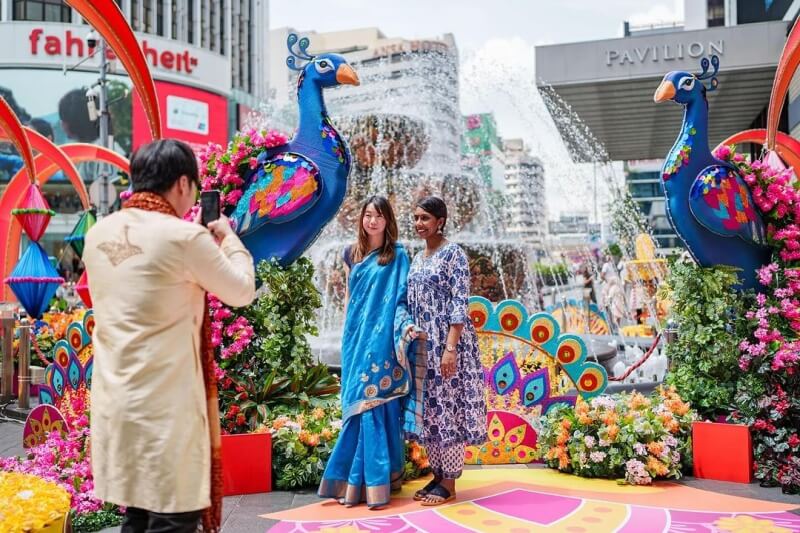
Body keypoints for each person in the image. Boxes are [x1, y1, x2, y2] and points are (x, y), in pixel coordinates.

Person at [83, 139, 255, 532]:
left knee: (138, 515)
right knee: (173, 520)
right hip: (166, 412)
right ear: (182, 183)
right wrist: (228, 239)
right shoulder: (184, 238)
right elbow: (241, 290)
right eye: (192, 187)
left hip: (117, 403)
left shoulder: (99, 234)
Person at [318, 196, 419, 509]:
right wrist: (349, 335)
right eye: (368, 215)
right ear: (361, 219)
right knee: (356, 404)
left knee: (374, 406)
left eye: (378, 216)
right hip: (356, 339)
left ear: (388, 221)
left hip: (381, 342)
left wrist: (405, 329)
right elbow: (350, 298)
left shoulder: (398, 256)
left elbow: (401, 299)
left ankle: (372, 483)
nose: (372, 221)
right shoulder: (352, 253)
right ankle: (355, 481)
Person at [406, 196, 487, 506]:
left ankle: (450, 482)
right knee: (430, 412)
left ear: (440, 221)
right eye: (415, 218)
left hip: (448, 345)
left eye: (425, 218)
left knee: (447, 408)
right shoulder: (417, 258)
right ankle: (438, 474)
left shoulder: (454, 255)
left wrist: (450, 348)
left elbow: (458, 304)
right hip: (423, 345)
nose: (419, 224)